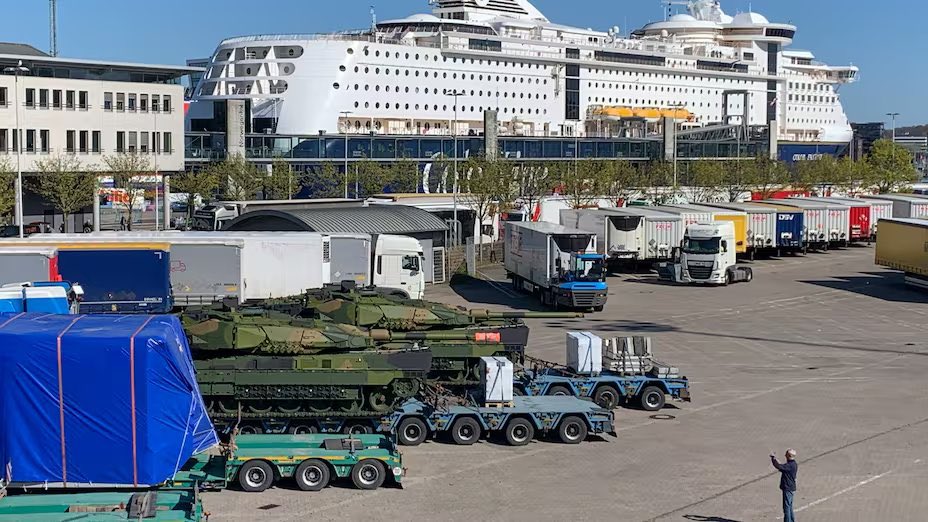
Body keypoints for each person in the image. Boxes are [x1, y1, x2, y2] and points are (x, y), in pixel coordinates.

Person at [771, 448, 798, 522]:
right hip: (791, 487)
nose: (785, 455)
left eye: (786, 454)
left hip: (788, 488)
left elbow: (779, 466)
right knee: (789, 506)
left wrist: (773, 459)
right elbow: (781, 467)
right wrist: (776, 459)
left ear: (789, 456)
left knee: (786, 507)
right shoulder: (793, 464)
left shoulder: (789, 466)